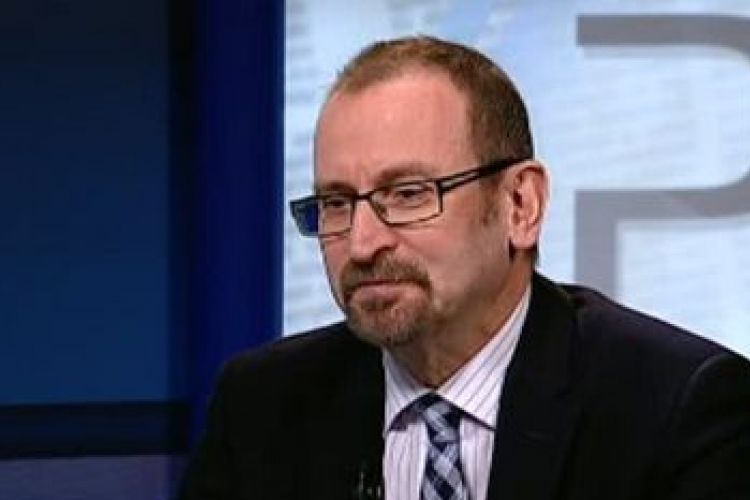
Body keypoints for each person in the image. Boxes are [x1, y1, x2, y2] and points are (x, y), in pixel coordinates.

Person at [178, 35, 750, 500]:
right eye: (336, 203)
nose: (362, 243)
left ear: (520, 206)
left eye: (408, 194)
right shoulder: (263, 406)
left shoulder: (675, 408)